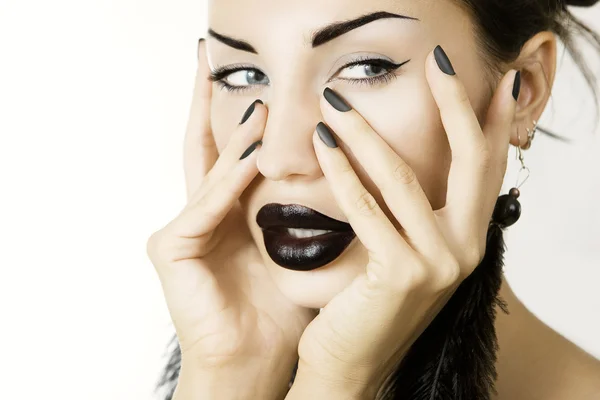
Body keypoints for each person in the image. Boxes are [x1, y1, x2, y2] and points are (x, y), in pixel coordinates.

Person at [146, 0, 600, 399]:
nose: (279, 157)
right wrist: (231, 372)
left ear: (525, 90)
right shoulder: (225, 360)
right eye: (242, 75)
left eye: (367, 68)